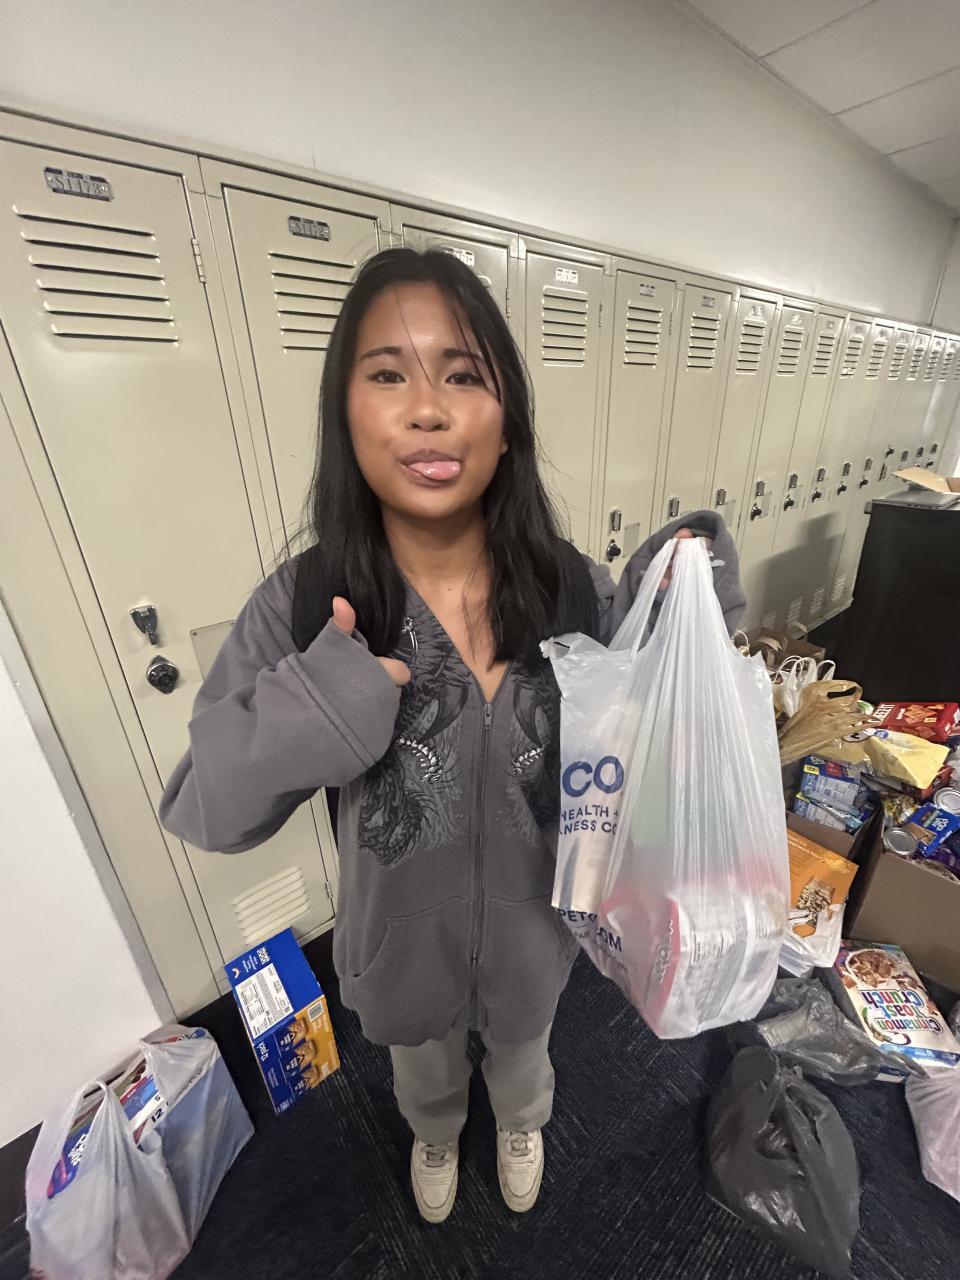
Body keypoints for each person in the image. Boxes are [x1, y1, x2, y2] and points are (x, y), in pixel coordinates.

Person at [159, 248, 745, 1224]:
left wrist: (678, 606)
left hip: (535, 933)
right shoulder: (310, 601)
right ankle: (434, 1131)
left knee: (524, 1053)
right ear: (348, 417)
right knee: (423, 1070)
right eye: (389, 374)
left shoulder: (568, 585)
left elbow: (655, 729)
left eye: (463, 375)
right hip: (401, 945)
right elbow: (205, 805)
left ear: (504, 421)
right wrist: (327, 701)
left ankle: (522, 1123)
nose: (427, 408)